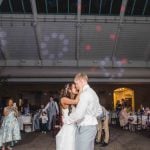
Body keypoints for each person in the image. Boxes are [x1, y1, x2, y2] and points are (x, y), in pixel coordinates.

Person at [64, 73, 102, 150]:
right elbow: (99, 111)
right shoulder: (92, 92)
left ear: (82, 81)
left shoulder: (85, 94)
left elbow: (79, 114)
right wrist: (91, 116)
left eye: (76, 83)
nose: (76, 86)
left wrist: (66, 120)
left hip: (85, 127)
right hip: (90, 127)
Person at [56, 83, 79, 150]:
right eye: (74, 87)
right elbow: (76, 101)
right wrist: (81, 90)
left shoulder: (71, 102)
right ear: (69, 90)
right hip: (69, 129)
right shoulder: (63, 99)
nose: (76, 88)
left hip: (74, 127)